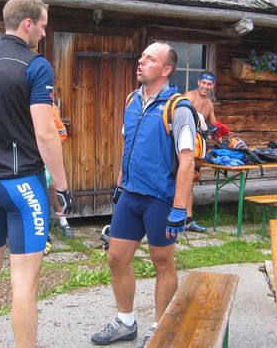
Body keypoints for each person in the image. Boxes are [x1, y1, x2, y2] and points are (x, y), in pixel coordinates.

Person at [0, 0, 72, 348]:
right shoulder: (36, 66)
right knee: (23, 282)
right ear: (27, 23)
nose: (44, 32)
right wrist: (62, 188)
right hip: (22, 188)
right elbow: (46, 133)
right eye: (43, 26)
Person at [91, 41, 197, 348]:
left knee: (162, 261)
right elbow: (128, 146)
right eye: (141, 57)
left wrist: (179, 209)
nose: (140, 62)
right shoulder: (132, 101)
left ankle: (160, 327)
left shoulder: (178, 109)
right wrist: (119, 184)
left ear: (166, 69)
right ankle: (126, 322)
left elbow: (187, 161)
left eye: (149, 59)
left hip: (160, 199)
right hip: (130, 195)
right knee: (116, 258)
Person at [183, 71, 217, 232]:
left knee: (190, 181)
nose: (205, 86)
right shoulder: (189, 96)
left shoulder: (209, 104)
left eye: (209, 84)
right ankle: (169, 218)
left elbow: (214, 126)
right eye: (203, 82)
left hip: (197, 148)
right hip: (183, 145)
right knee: (175, 180)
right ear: (198, 82)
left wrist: (224, 134)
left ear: (212, 86)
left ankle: (188, 220)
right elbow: (178, 116)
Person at [46, 101, 74, 241]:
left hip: (47, 154)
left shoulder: (51, 107)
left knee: (53, 185)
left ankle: (63, 220)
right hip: (27, 155)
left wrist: (50, 143)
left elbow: (62, 132)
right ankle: (41, 227)